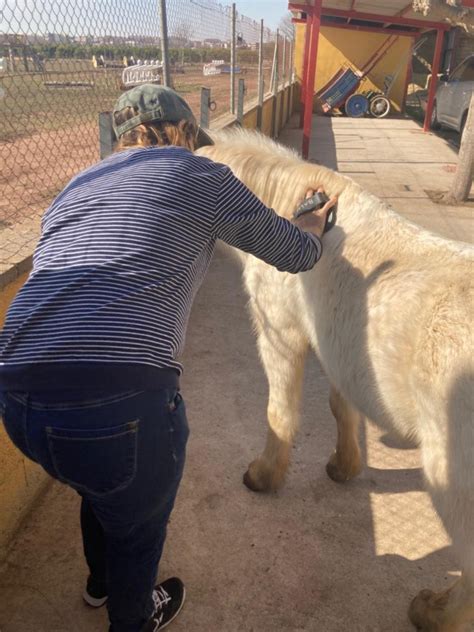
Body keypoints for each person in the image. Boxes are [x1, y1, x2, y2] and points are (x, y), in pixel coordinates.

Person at [0, 84, 336, 632]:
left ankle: (99, 583)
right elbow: (293, 252)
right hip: (117, 410)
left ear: (122, 136)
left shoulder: (76, 185)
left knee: (99, 481)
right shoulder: (200, 175)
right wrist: (313, 223)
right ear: (182, 132)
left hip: (15, 398)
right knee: (137, 526)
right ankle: (131, 617)